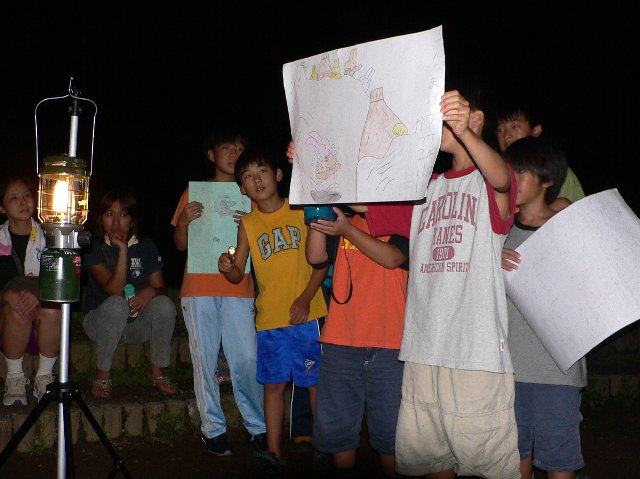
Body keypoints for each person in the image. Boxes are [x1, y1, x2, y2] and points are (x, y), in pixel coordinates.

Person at [393, 89, 521, 478]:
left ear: (474, 118)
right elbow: (365, 201)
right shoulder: (425, 186)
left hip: (475, 351)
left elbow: (503, 181)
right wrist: (317, 170)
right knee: (430, 459)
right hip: (423, 346)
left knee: (487, 464)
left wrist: (465, 131)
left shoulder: (490, 179)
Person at [218, 148, 328, 472]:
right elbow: (239, 272)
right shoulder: (248, 224)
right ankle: (274, 451)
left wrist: (305, 299)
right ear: (242, 189)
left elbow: (322, 262)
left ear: (278, 174)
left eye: (262, 171)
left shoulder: (300, 211)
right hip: (269, 320)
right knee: (273, 385)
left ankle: (324, 446)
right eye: (248, 177)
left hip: (308, 315)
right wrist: (228, 267)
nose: (257, 180)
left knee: (314, 382)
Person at [171, 126, 267, 456]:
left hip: (239, 287)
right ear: (211, 155)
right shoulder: (193, 193)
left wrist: (251, 224)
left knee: (246, 358)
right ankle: (213, 428)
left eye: (239, 148)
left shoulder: (252, 194)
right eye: (227, 147)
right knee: (205, 360)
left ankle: (258, 427)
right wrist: (183, 222)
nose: (234, 153)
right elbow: (180, 245)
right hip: (198, 287)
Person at [501, 136, 587, 479]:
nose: (511, 180)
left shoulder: (571, 227)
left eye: (520, 172)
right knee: (514, 455)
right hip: (508, 368)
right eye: (508, 172)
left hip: (558, 369)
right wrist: (490, 259)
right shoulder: (498, 232)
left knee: (559, 459)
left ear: (547, 179)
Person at [305, 205, 409, 478]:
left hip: (391, 342)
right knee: (338, 430)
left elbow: (392, 258)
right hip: (341, 338)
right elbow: (315, 257)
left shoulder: (401, 216)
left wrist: (347, 230)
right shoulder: (342, 219)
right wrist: (316, 210)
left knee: (391, 431)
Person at [83, 189, 177, 398]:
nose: (116, 222)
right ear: (101, 219)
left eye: (123, 215)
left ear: (132, 220)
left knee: (164, 304)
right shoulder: (94, 248)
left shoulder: (146, 246)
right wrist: (123, 250)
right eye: (110, 214)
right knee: (118, 304)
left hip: (137, 326)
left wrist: (150, 291)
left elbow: (162, 289)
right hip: (99, 324)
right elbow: (115, 291)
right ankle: (103, 372)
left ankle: (157, 370)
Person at [0, 174, 61, 406]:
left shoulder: (51, 236)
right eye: (14, 198)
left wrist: (39, 294)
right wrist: (6, 295)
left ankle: (44, 377)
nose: (23, 202)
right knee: (17, 309)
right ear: (2, 208)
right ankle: (15, 378)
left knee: (52, 307)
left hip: (41, 305)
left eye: (27, 195)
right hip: (6, 312)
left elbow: (59, 278)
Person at [495, 98, 585, 209]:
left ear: (536, 130)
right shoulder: (494, 171)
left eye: (515, 126)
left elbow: (581, 212)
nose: (507, 135)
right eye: (500, 130)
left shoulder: (554, 169)